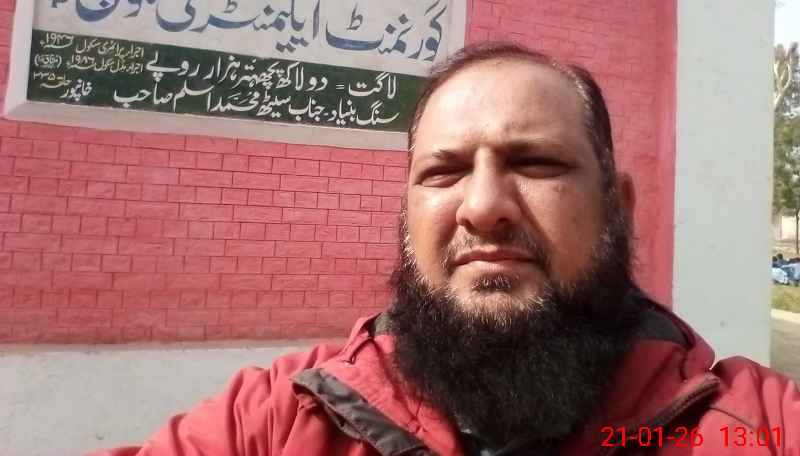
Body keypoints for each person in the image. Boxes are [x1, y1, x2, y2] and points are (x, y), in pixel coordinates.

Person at [93, 43, 799, 455]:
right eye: (443, 172)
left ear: (619, 207)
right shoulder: (281, 419)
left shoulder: (754, 427)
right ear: (407, 215)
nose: (484, 206)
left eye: (536, 163)